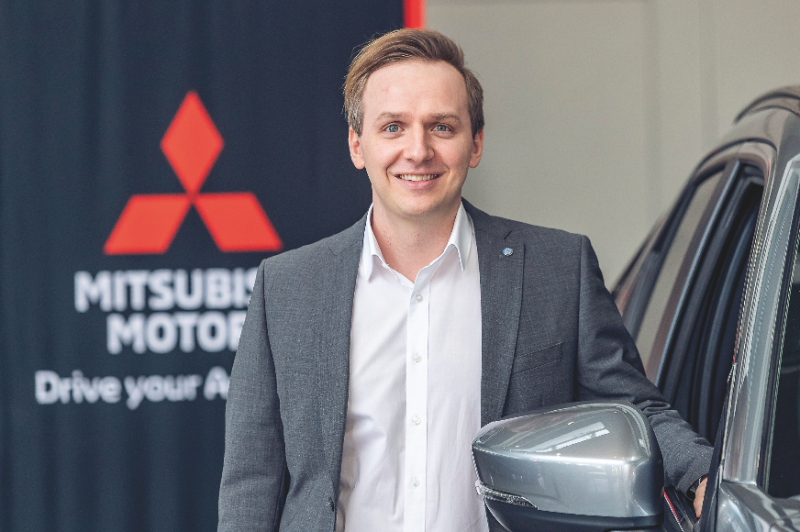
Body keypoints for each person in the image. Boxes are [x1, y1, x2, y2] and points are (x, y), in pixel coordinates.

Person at [217, 29, 711, 532]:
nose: (418, 151)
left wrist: (703, 476)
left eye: (441, 127)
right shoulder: (288, 288)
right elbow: (252, 482)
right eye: (393, 127)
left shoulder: (558, 269)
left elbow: (632, 409)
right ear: (356, 144)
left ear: (475, 144)